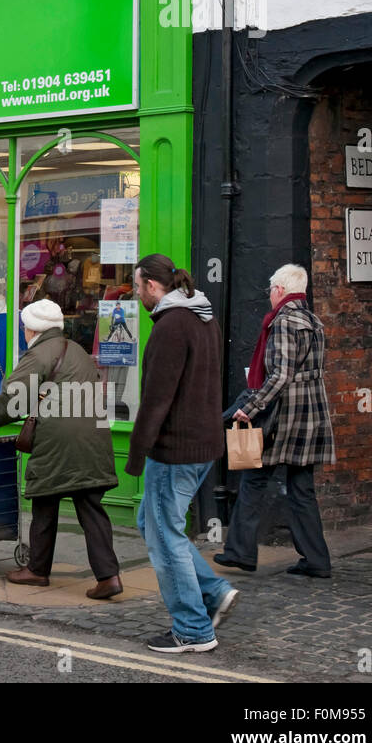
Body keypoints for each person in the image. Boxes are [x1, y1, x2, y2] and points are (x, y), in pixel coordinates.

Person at [128, 253, 238, 653]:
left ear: (153, 287)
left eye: (138, 287)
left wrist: (137, 453)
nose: (137, 294)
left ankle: (192, 630)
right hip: (203, 443)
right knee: (152, 523)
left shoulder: (171, 326)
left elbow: (157, 399)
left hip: (175, 449)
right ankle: (213, 592)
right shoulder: (203, 317)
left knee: (165, 535)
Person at [0, 298, 122, 599]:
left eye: (25, 328)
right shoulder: (78, 350)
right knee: (91, 507)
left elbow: (11, 399)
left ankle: (37, 570)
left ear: (33, 329)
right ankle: (109, 576)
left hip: (59, 440)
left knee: (45, 500)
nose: (24, 332)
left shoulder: (39, 354)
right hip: (94, 437)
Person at [216, 264, 335, 578]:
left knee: (254, 480)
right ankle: (316, 560)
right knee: (302, 488)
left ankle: (240, 552)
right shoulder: (315, 321)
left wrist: (251, 407)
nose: (269, 296)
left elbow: (281, 375)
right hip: (310, 415)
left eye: (270, 290)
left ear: (280, 290)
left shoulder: (282, 322)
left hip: (282, 417)